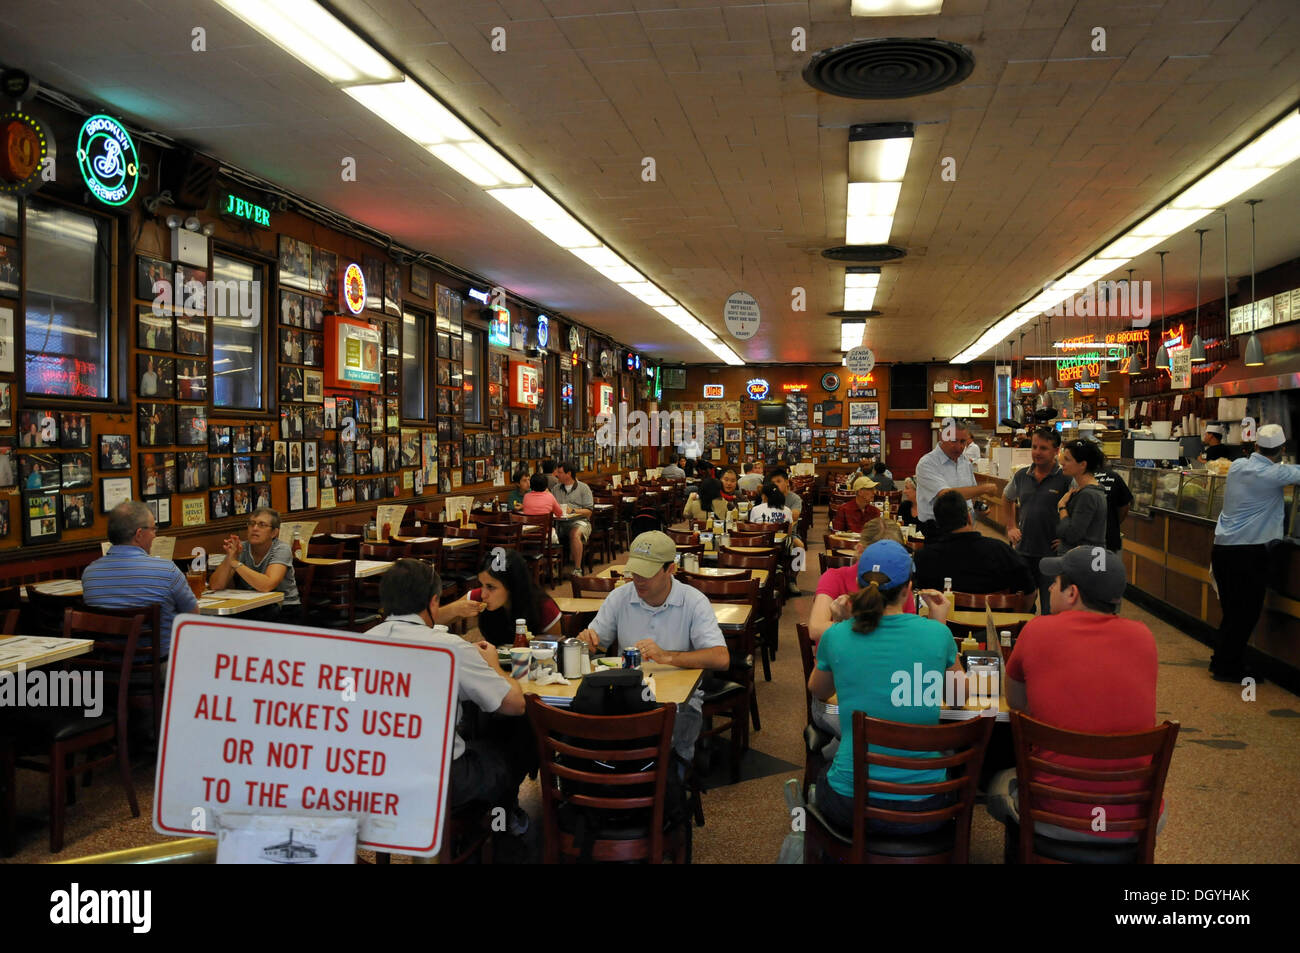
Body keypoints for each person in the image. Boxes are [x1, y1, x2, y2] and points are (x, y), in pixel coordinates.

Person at [986, 546, 1162, 844]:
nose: (1050, 586)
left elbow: (1016, 703)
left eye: (1055, 581)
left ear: (1072, 594)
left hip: (1053, 813)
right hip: (1132, 821)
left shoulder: (1037, 630)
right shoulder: (1144, 637)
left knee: (996, 784)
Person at [807, 541, 959, 833]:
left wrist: (840, 624)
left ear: (860, 586)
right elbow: (956, 697)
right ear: (908, 588)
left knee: (826, 775)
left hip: (853, 803)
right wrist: (941, 624)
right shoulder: (937, 634)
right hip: (925, 805)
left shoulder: (837, 636)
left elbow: (819, 691)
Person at [367, 558, 528, 815]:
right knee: (510, 748)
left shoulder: (356, 644)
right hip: (440, 780)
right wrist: (493, 666)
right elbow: (515, 705)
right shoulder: (450, 648)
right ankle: (502, 823)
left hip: (371, 778)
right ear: (433, 602)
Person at [577, 531, 729, 762]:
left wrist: (667, 656)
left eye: (647, 573)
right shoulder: (619, 597)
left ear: (671, 569)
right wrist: (585, 643)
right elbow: (596, 645)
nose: (638, 579)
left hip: (677, 701)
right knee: (587, 723)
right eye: (635, 571)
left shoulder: (693, 601)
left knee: (664, 739)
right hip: (626, 694)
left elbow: (721, 658)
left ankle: (666, 777)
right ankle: (610, 777)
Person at [1209, 423, 1300, 682]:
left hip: (1224, 549)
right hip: (1249, 553)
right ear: (1282, 449)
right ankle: (1229, 668)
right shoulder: (1274, 475)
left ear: (1257, 445)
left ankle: (1222, 661)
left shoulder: (1238, 466)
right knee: (1245, 614)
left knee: (1232, 612)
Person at [81, 501, 197, 656]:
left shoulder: (90, 574)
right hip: (159, 667)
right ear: (139, 534)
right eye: (153, 529)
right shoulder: (167, 570)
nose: (155, 534)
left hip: (109, 668)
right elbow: (194, 617)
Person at [913, 490, 1035, 595]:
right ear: (969, 518)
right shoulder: (1002, 551)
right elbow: (1029, 591)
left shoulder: (923, 558)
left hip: (943, 621)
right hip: (997, 620)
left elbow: (920, 597)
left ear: (938, 524)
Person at [1004, 426, 1072, 613]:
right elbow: (1007, 497)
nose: (1037, 452)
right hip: (1023, 552)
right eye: (1034, 447)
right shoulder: (1021, 475)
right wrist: (1011, 526)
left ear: (1056, 451)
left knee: (1051, 609)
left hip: (1052, 555)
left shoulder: (1066, 479)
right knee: (1021, 607)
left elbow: (1077, 509)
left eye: (1043, 448)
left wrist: (1067, 539)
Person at [439, 549, 561, 645]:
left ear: (512, 585)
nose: (483, 594)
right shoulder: (479, 597)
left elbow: (555, 652)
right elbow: (430, 620)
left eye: (491, 587)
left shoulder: (544, 607)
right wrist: (454, 610)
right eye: (481, 585)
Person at [208, 506, 300, 618]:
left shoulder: (281, 549)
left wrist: (235, 563)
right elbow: (216, 586)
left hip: (284, 608)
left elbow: (267, 585)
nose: (255, 528)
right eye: (251, 524)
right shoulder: (242, 548)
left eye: (262, 525)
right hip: (250, 607)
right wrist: (230, 557)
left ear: (274, 533)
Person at [914, 418, 990, 537]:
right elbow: (946, 496)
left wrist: (978, 506)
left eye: (963, 442)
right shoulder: (927, 463)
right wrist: (984, 488)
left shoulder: (964, 462)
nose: (959, 446)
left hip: (966, 528)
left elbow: (970, 495)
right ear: (942, 437)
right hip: (938, 531)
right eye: (954, 441)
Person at [1054, 438, 1109, 554]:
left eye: (1067, 460)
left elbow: (1072, 535)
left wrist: (1062, 507)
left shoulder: (1088, 495)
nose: (1062, 463)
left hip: (1084, 562)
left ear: (1083, 464)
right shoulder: (1086, 490)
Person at [552, 460, 594, 575]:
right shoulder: (556, 489)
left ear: (569, 474)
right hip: (560, 523)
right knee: (548, 534)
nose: (557, 475)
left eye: (560, 473)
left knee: (574, 534)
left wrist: (574, 510)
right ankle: (552, 569)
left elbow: (589, 511)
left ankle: (577, 569)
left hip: (580, 522)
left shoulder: (584, 488)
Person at [1092, 455, 1134, 552]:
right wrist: (1114, 523)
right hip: (1110, 538)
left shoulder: (1082, 479)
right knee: (1106, 566)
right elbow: (1125, 505)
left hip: (1088, 541)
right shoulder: (1114, 476)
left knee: (1091, 566)